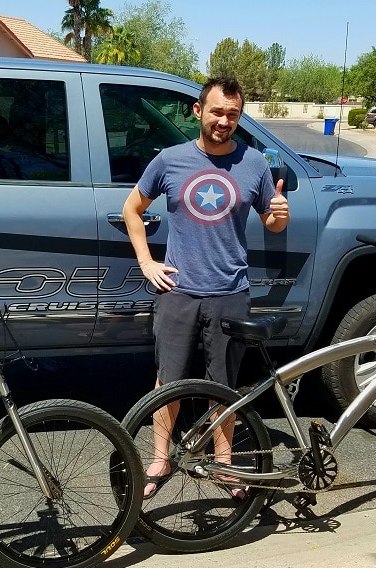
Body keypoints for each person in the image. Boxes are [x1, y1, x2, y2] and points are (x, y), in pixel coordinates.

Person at [121, 76, 290, 499]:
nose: (223, 121)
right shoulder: (170, 160)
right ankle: (160, 458)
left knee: (224, 383)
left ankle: (224, 463)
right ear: (198, 111)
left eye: (232, 114)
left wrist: (280, 215)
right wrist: (146, 262)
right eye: (216, 112)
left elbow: (272, 222)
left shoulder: (254, 164)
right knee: (169, 380)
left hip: (230, 290)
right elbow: (132, 207)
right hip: (178, 290)